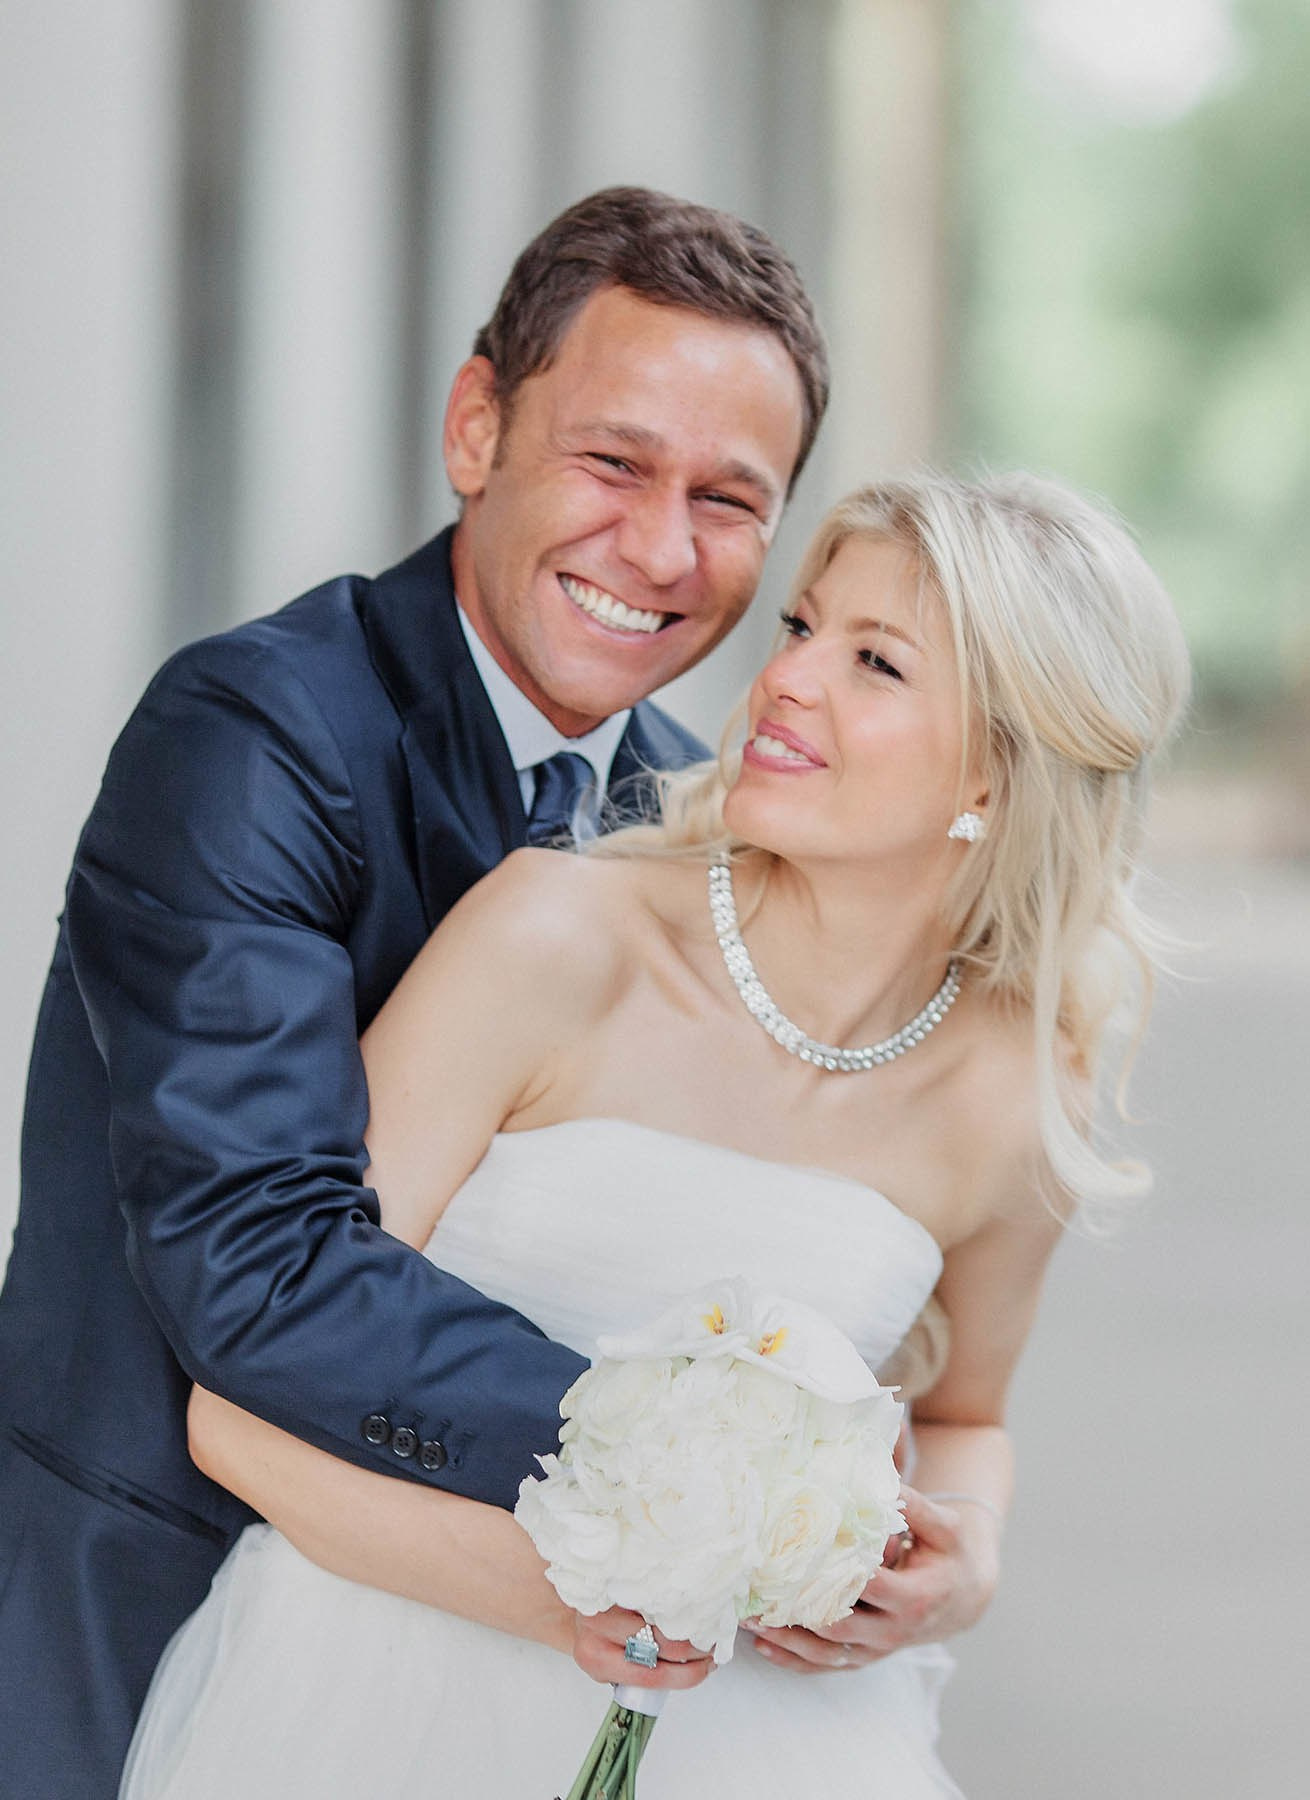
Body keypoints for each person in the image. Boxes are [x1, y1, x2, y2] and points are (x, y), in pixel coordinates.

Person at [118, 470, 1190, 1797]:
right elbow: (238, 1407)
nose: (784, 684)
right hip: (371, 1705)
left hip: (773, 1749)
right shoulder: (553, 936)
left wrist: (964, 1561)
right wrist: (562, 1607)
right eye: (799, 631)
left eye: (874, 663)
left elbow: (964, 1415)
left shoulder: (1016, 1092)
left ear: (996, 769)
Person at [0, 186, 830, 1800]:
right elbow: (257, 1265)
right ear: (475, 425)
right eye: (612, 463)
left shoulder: (695, 826)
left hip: (501, 1677)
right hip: (149, 1632)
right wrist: (720, 1469)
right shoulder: (254, 736)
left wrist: (904, 1508)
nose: (660, 549)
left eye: (729, 500)